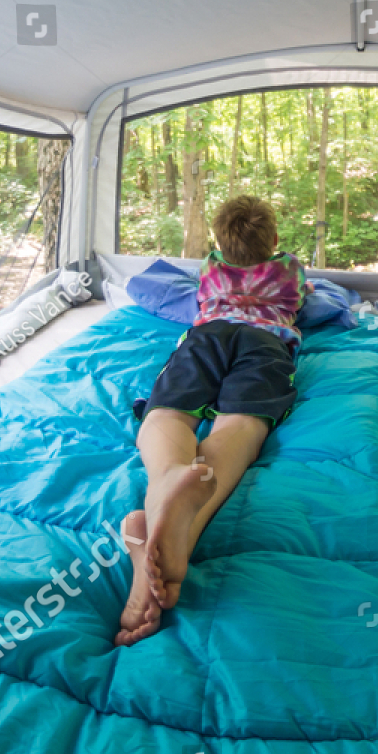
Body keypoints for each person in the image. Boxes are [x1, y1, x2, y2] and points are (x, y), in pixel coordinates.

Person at [117, 196, 310, 646]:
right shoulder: (289, 269)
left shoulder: (209, 269)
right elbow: (304, 299)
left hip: (206, 336)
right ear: (275, 240)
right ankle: (182, 525)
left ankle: (165, 489)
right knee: (239, 426)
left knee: (166, 414)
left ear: (220, 243)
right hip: (265, 341)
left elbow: (198, 298)